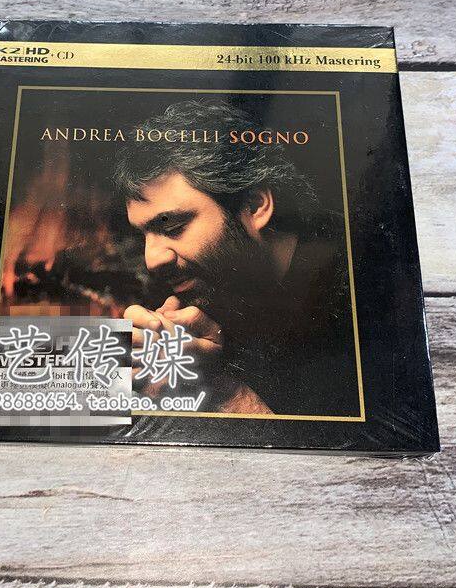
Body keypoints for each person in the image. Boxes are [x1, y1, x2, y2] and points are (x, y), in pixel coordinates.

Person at [113, 99, 359, 416]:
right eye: (142, 235)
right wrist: (123, 365)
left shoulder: (366, 284)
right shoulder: (192, 283)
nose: (152, 259)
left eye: (173, 227)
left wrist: (220, 391)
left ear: (254, 206)